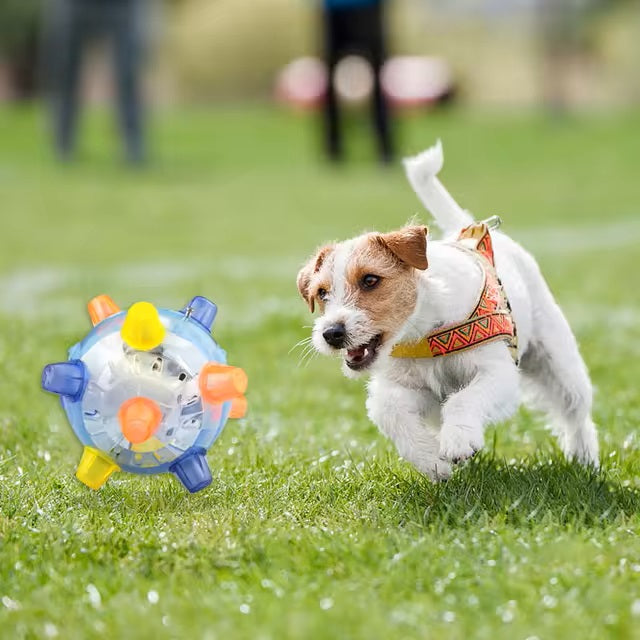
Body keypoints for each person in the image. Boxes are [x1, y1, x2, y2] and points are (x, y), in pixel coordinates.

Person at [43, 0, 146, 164]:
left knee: (127, 74)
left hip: (121, 6)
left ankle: (134, 147)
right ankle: (63, 144)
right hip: (75, 5)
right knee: (65, 70)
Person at [321, 0, 394, 163]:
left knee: (377, 76)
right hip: (335, 7)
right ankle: (333, 149)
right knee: (330, 78)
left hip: (367, 6)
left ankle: (385, 150)